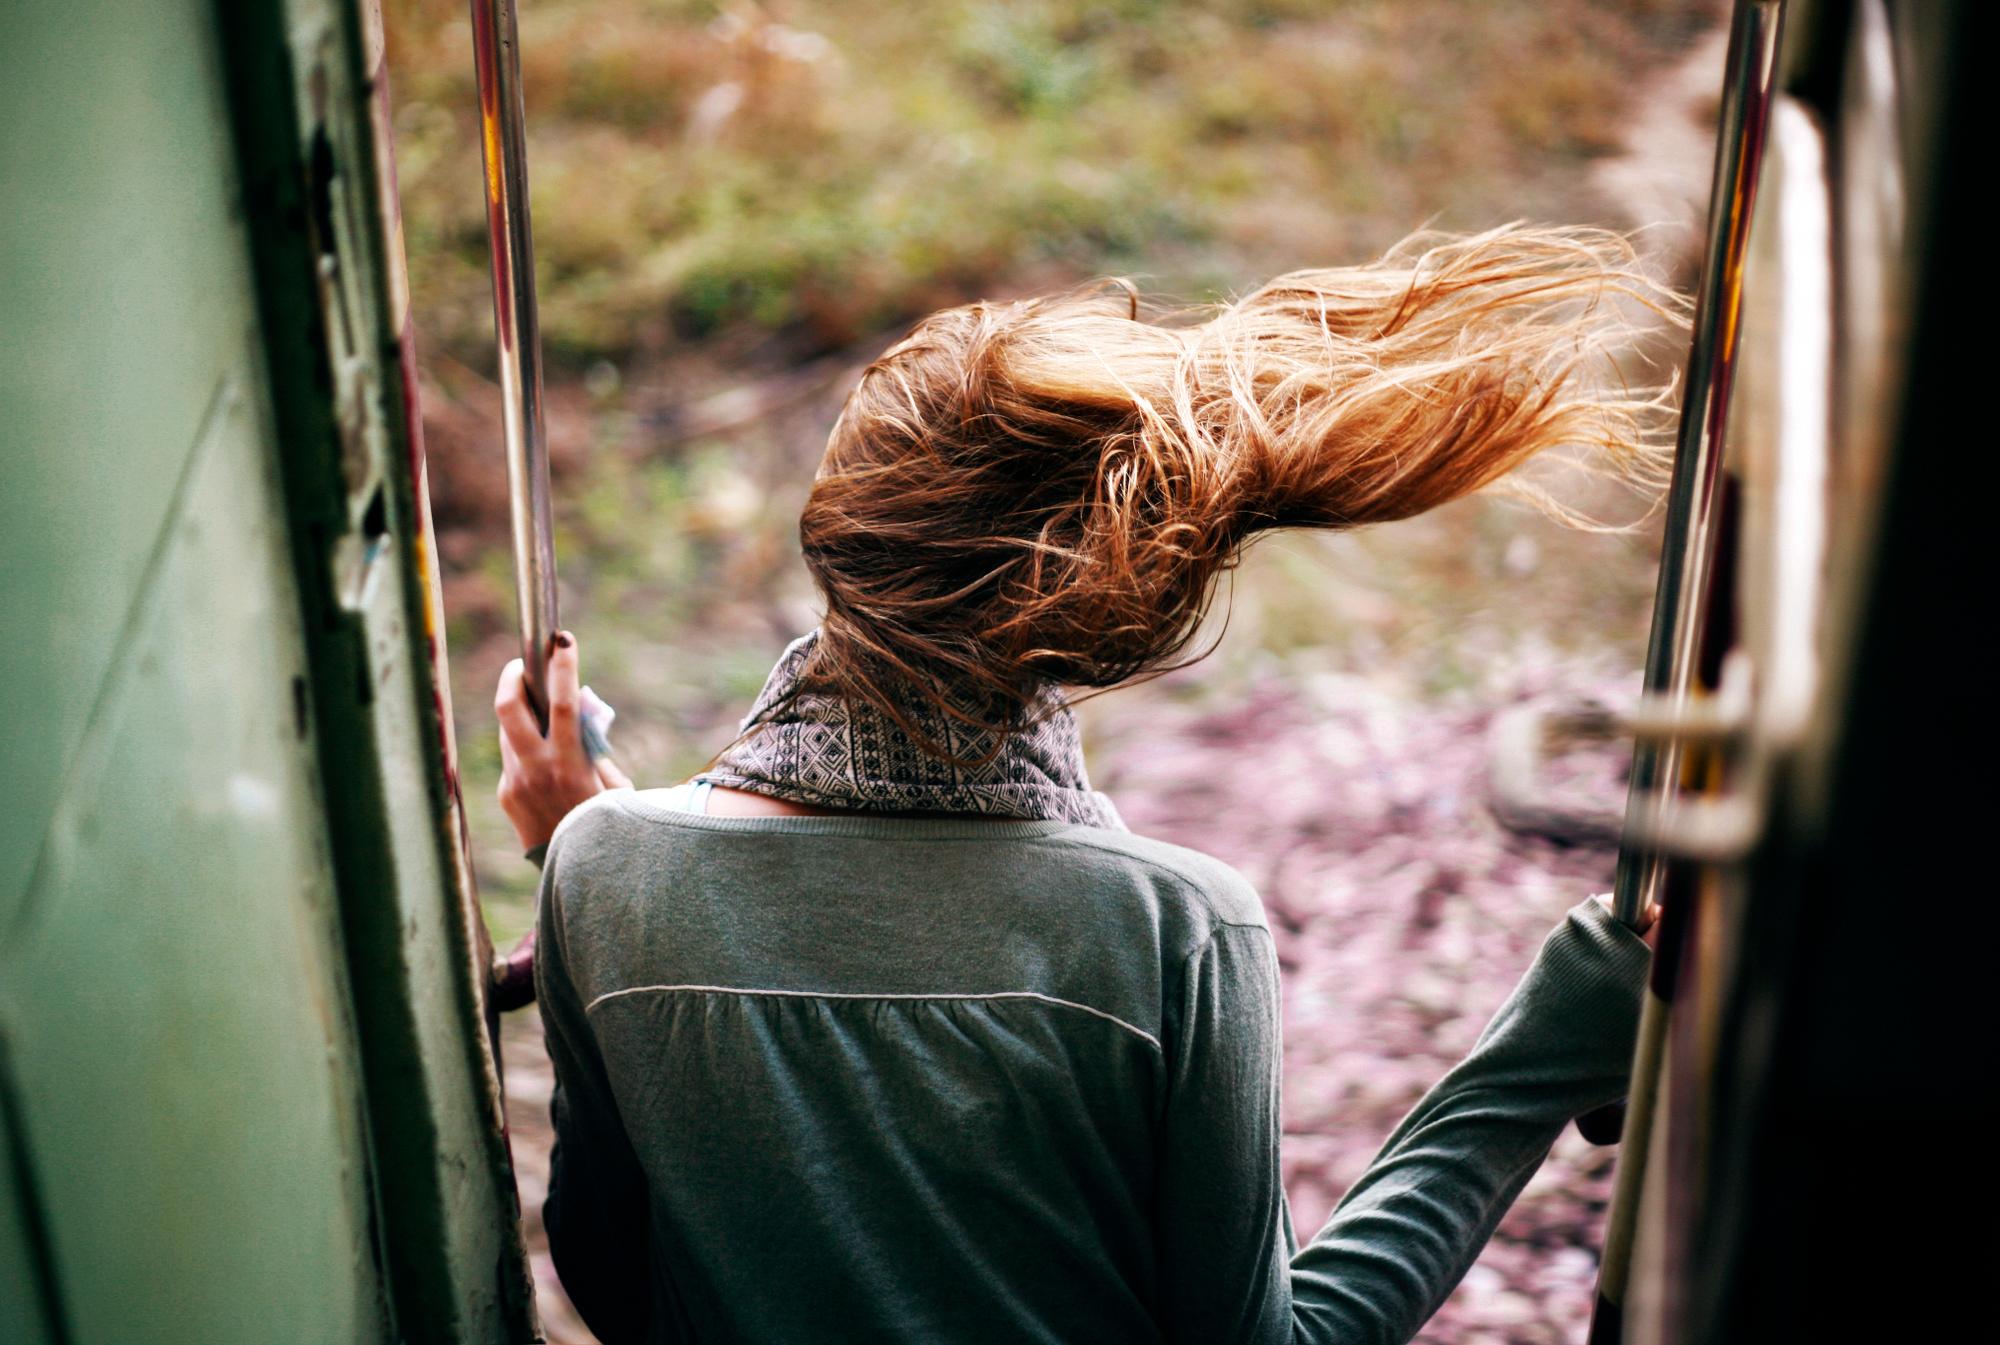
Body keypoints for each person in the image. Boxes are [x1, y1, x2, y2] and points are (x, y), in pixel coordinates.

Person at [494, 225, 1674, 1345]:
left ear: (837, 536)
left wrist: (601, 863)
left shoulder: (606, 870)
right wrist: (1545, 1046)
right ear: (1096, 608)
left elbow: (612, 1278)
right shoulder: (1174, 924)